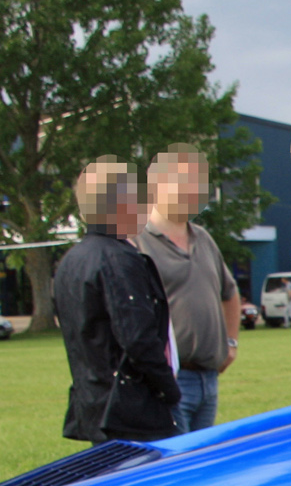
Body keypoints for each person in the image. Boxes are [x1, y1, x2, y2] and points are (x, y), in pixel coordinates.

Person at [54, 158, 180, 442]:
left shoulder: (70, 262)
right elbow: (137, 339)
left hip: (94, 404)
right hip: (130, 410)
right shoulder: (119, 260)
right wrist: (168, 389)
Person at [137, 145, 241, 432]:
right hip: (170, 379)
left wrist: (231, 344)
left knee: (202, 464)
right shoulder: (137, 241)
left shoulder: (203, 238)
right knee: (178, 463)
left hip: (208, 378)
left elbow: (230, 294)